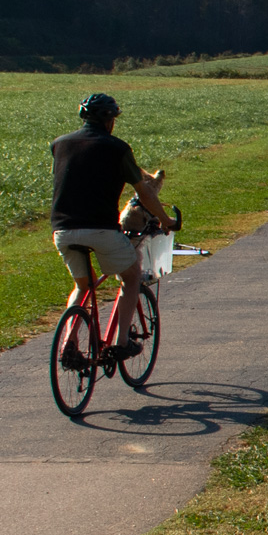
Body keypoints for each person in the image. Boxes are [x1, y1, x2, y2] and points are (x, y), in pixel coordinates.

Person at [50, 93, 173, 359]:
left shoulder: (59, 145)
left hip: (62, 230)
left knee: (83, 286)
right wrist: (166, 220)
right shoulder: (118, 149)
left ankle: (68, 345)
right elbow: (146, 194)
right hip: (101, 229)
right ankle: (121, 342)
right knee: (131, 276)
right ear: (110, 121)